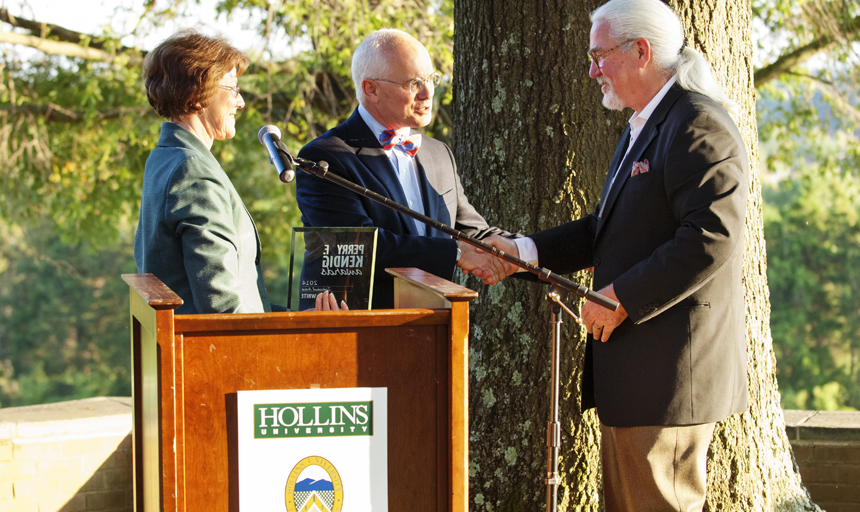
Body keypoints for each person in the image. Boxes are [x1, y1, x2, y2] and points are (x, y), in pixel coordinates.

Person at [481, 0, 750, 509]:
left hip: (669, 379)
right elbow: (605, 232)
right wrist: (521, 252)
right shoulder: (644, 125)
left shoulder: (696, 122)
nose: (591, 70)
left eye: (598, 55)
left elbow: (711, 236)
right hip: (640, 378)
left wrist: (623, 295)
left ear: (641, 51)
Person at [295, 29, 514, 310]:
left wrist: (537, 253)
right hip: (356, 330)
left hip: (436, 328)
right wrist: (457, 253)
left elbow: (473, 234)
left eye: (431, 79)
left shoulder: (438, 153)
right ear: (370, 89)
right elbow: (362, 248)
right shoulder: (325, 157)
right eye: (414, 83)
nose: (428, 92)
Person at [135, 29, 344, 314]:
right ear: (198, 96)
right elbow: (222, 309)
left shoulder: (165, 157)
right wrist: (296, 333)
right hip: (220, 353)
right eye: (232, 88)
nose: (240, 101)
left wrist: (299, 319)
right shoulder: (192, 170)